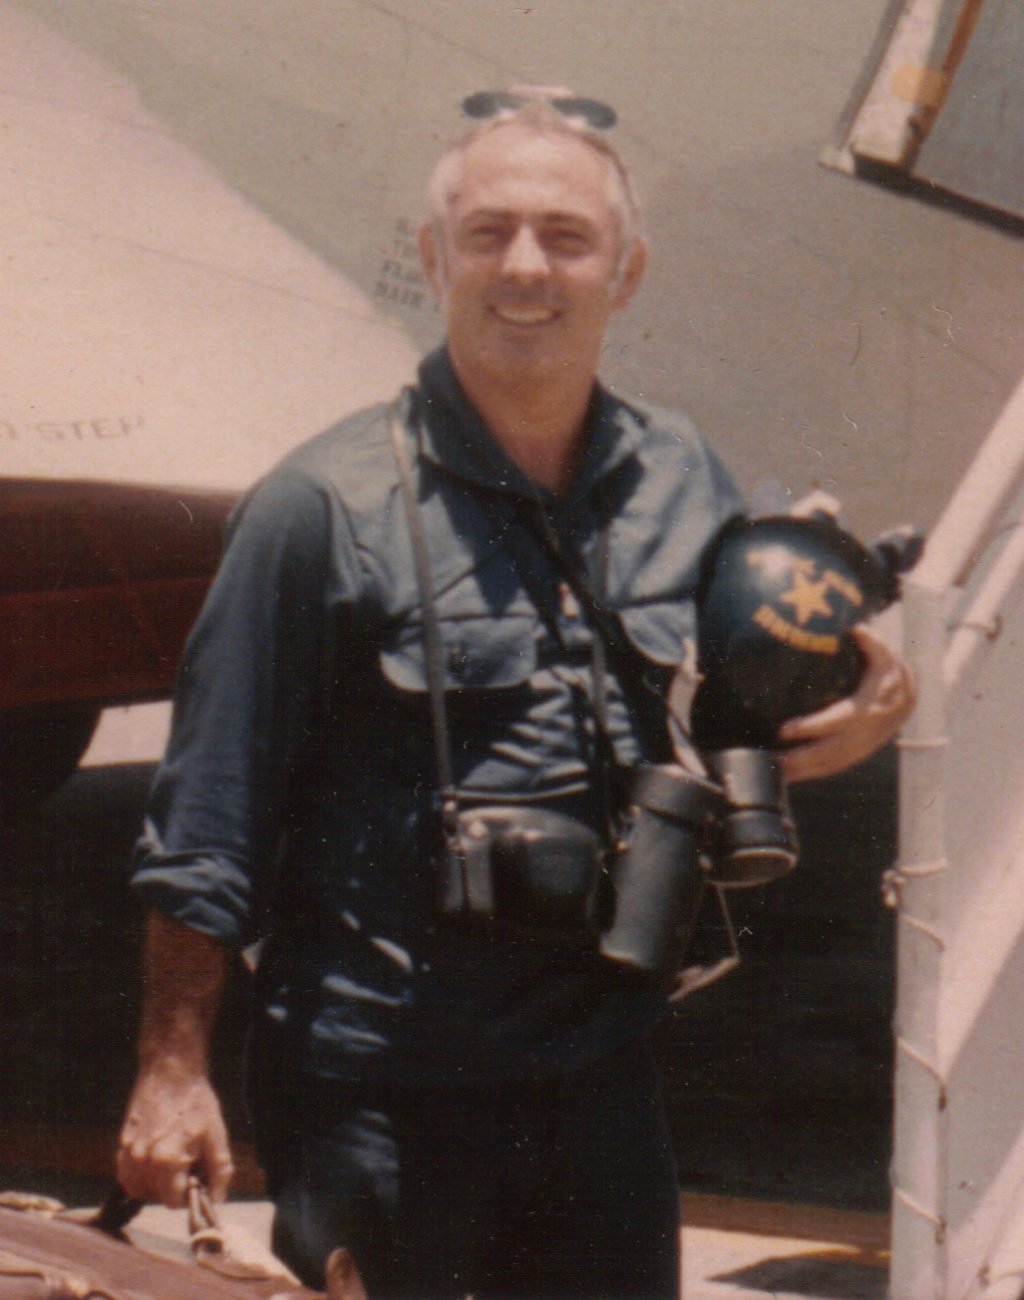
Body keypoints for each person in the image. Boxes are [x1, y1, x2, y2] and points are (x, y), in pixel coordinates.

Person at [116, 88, 916, 1299]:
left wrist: (854, 707)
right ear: (434, 257)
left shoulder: (680, 477)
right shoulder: (322, 507)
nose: (526, 268)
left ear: (627, 271)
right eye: (487, 234)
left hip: (593, 1074)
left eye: (566, 236)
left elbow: (735, 708)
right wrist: (173, 1070)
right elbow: (207, 817)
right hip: (379, 1087)